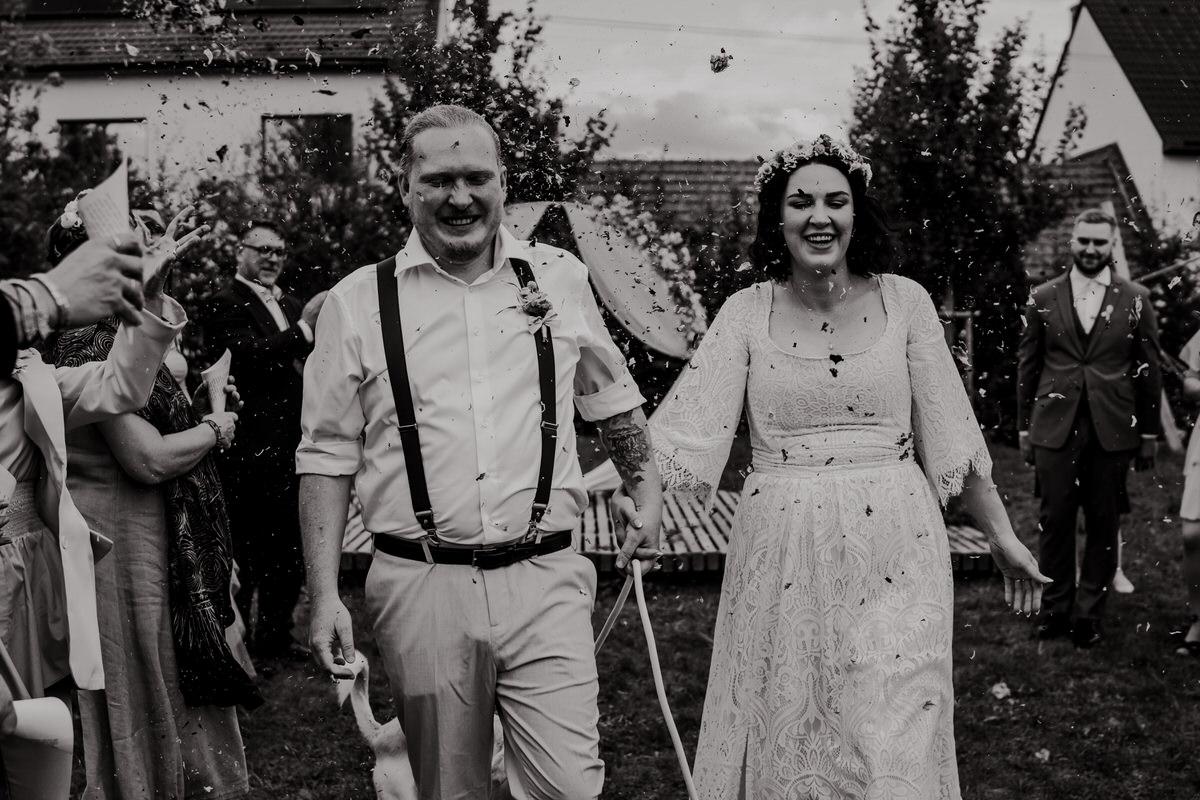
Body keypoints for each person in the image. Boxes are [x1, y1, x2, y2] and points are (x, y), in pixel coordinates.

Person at [645, 134, 1048, 799]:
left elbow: (952, 435)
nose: (819, 216)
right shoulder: (746, 312)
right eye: (800, 202)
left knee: (893, 728)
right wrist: (631, 497)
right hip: (781, 552)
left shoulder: (906, 302)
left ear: (857, 215)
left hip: (896, 543)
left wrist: (1001, 536)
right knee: (797, 727)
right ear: (778, 219)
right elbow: (682, 433)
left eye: (836, 200)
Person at [298, 104, 663, 799]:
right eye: (437, 180)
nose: (459, 198)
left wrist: (643, 485)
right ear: (405, 186)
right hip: (420, 583)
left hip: (548, 574)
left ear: (502, 180)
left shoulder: (558, 279)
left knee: (568, 788)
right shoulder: (355, 302)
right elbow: (325, 456)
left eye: (476, 178)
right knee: (448, 789)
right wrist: (323, 596)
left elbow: (610, 395)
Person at [50, 207, 260, 799]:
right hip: (123, 536)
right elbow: (146, 460)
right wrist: (217, 427)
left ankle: (198, 785)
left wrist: (192, 400)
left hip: (167, 528)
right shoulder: (82, 339)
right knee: (143, 683)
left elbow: (151, 396)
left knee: (175, 680)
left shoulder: (122, 320)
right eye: (137, 237)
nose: (153, 242)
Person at [0, 216, 184, 799]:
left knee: (25, 730)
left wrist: (147, 301)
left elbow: (122, 385)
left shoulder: (33, 377)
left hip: (12, 581)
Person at [1017, 208, 1161, 648]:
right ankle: (1056, 608)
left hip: (1113, 428)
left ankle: (1088, 614)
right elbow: (1028, 365)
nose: (1092, 249)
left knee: (1103, 522)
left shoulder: (1135, 297)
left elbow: (1148, 368)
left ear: (1112, 245)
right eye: (1085, 241)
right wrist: (1024, 429)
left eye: (1101, 242)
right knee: (1054, 519)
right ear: (1072, 242)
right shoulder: (1043, 296)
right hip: (1054, 428)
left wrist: (1150, 432)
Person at [203, 221, 325, 661]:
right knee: (247, 553)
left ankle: (276, 637)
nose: (273, 257)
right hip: (249, 449)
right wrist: (306, 329)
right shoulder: (223, 304)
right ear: (241, 251)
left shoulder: (290, 302)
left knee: (289, 548)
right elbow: (250, 361)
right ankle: (236, 644)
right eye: (263, 249)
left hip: (294, 444)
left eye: (280, 250)